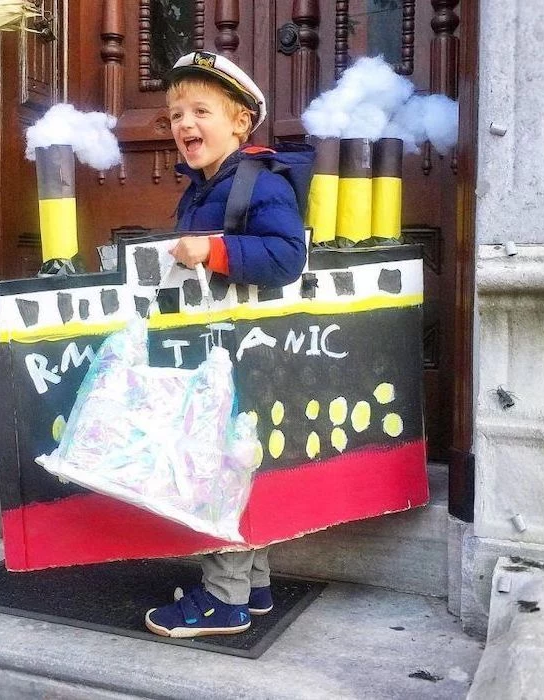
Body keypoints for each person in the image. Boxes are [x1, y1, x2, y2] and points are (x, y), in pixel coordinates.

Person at [144, 50, 307, 638]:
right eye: (175, 114)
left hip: (241, 353)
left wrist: (211, 251)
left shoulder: (259, 182)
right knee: (236, 462)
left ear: (240, 122)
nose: (184, 124)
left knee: (218, 469)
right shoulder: (206, 186)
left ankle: (224, 600)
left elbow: (287, 257)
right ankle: (255, 585)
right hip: (218, 352)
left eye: (200, 111)